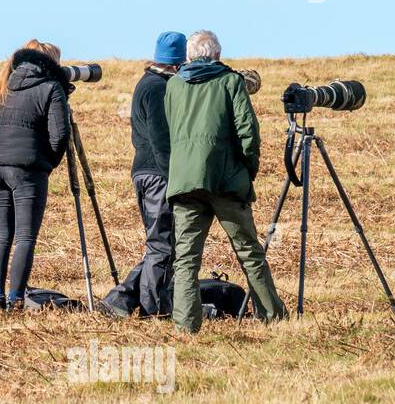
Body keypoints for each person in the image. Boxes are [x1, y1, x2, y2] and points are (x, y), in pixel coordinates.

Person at [164, 29, 286, 332]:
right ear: (217, 55)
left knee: (186, 260)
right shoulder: (230, 81)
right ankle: (272, 317)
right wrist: (248, 170)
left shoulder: (173, 86)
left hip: (184, 182)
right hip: (226, 182)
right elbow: (249, 133)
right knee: (249, 252)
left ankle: (185, 326)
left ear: (188, 56)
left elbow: (171, 131)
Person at [0, 40, 71, 310]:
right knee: (26, 236)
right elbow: (60, 135)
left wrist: (1, 150)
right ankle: (16, 299)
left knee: (2, 233)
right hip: (27, 170)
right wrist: (46, 161)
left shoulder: (3, 85)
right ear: (51, 63)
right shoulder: (51, 88)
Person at [103, 31, 186, 318]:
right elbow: (162, 140)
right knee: (163, 245)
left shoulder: (146, 83)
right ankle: (155, 311)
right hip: (158, 175)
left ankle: (121, 300)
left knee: (159, 244)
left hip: (144, 172)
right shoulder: (158, 89)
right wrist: (173, 178)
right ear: (177, 63)